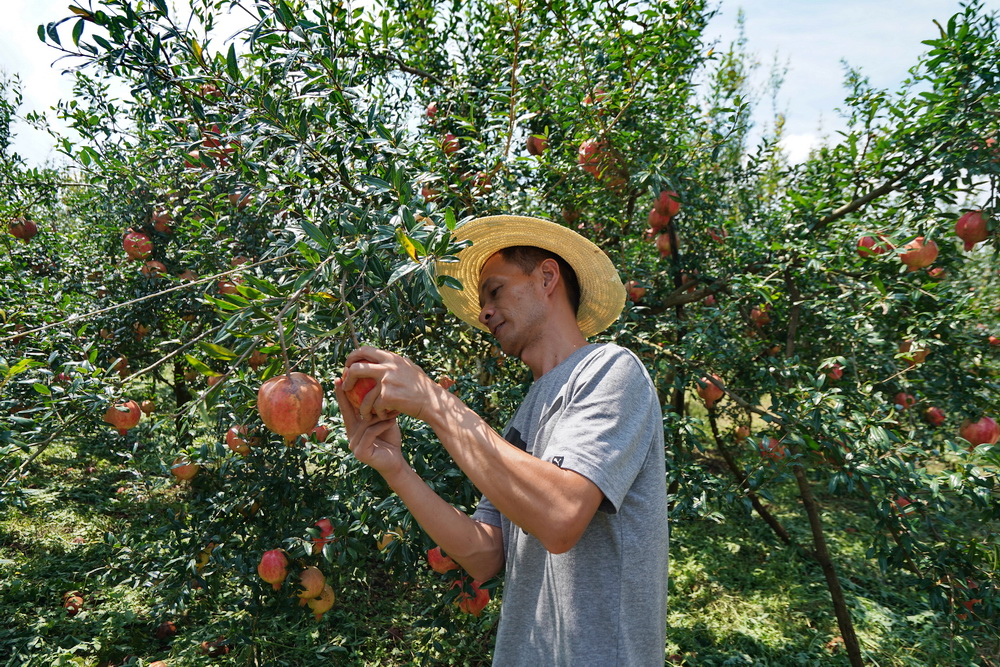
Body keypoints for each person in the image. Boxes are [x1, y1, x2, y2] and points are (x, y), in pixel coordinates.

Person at [336, 214, 668, 666]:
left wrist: (435, 402)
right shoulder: (525, 414)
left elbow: (561, 515)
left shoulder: (610, 370)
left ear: (547, 277)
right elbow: (484, 555)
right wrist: (394, 465)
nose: (484, 312)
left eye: (494, 291)